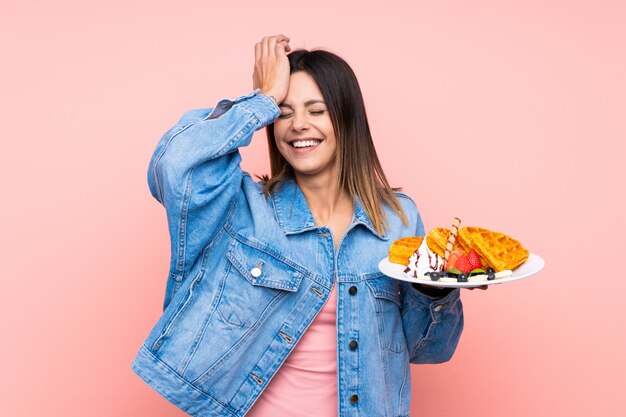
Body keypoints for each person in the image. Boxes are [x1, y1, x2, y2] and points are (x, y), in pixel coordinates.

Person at [131, 34, 464, 417]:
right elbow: (175, 165)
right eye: (284, 112)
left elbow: (429, 349)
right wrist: (262, 99)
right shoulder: (244, 207)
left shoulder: (397, 219)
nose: (298, 126)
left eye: (316, 110)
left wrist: (436, 291)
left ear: (346, 119)